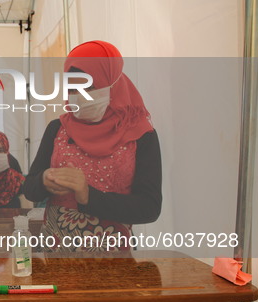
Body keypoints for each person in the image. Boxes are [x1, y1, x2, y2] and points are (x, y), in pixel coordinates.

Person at [24, 40, 162, 252]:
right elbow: (30, 189)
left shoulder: (140, 135)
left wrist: (89, 196)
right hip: (54, 255)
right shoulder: (57, 129)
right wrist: (43, 181)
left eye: (89, 87)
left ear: (112, 84)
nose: (80, 96)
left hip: (113, 260)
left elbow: (149, 208)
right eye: (72, 88)